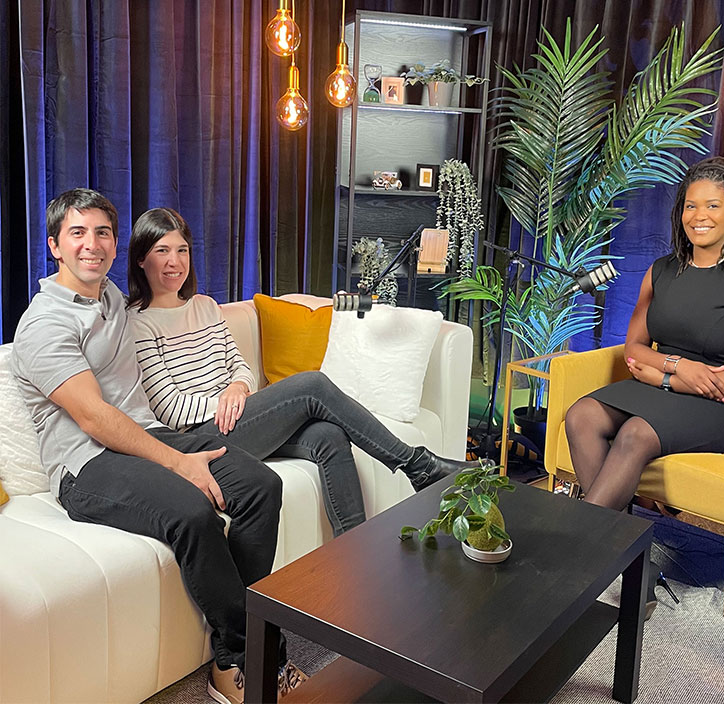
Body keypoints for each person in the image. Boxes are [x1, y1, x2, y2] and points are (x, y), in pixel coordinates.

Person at [11, 189, 291, 704]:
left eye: (102, 233)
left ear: (116, 245)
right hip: (86, 465)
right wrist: (178, 461)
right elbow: (94, 417)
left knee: (262, 486)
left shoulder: (114, 300)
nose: (91, 244)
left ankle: (246, 640)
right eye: (77, 233)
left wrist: (225, 389)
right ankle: (236, 659)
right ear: (53, 246)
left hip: (150, 437)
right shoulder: (43, 325)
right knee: (192, 511)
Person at [126, 207, 476, 538]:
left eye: (182, 250)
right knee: (312, 385)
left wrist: (237, 387)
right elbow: (168, 408)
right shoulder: (138, 323)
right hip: (199, 438)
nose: (174, 262)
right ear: (141, 259)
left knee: (327, 434)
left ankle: (354, 551)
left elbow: (240, 365)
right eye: (161, 251)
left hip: (236, 416)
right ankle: (417, 465)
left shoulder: (205, 307)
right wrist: (227, 404)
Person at [564, 156, 724, 613]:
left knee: (636, 433)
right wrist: (675, 370)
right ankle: (635, 570)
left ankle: (572, 559)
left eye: (713, 206)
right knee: (580, 414)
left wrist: (668, 375)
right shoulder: (660, 271)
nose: (699, 217)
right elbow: (634, 351)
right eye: (690, 206)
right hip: (674, 383)